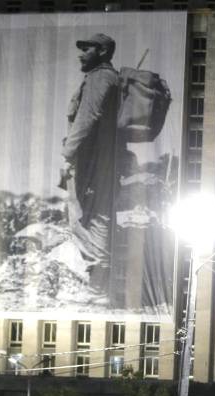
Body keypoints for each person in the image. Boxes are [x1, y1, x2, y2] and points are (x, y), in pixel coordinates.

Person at [61, 32, 123, 301]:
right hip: (99, 158)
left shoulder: (101, 78)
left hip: (92, 160)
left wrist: (67, 155)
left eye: (87, 48)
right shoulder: (103, 77)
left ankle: (99, 289)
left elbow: (87, 118)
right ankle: (97, 286)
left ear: (102, 51)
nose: (81, 53)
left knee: (90, 218)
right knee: (92, 216)